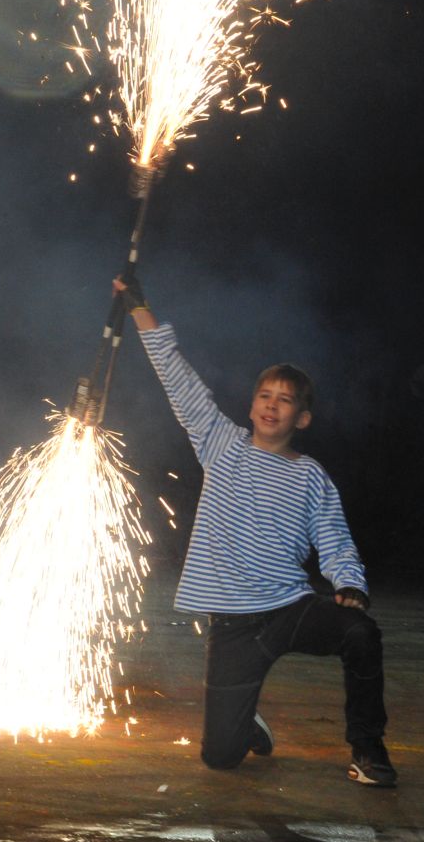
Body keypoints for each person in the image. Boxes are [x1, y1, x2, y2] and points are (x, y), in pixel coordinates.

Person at [116, 272, 393, 787]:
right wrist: (139, 309)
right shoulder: (221, 443)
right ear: (250, 407)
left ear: (302, 418)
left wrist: (349, 584)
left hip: (288, 606)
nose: (271, 404)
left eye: (285, 400)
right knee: (220, 759)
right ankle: (244, 722)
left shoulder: (310, 475)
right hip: (235, 623)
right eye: (264, 395)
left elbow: (334, 538)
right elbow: (178, 378)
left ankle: (368, 749)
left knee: (361, 632)